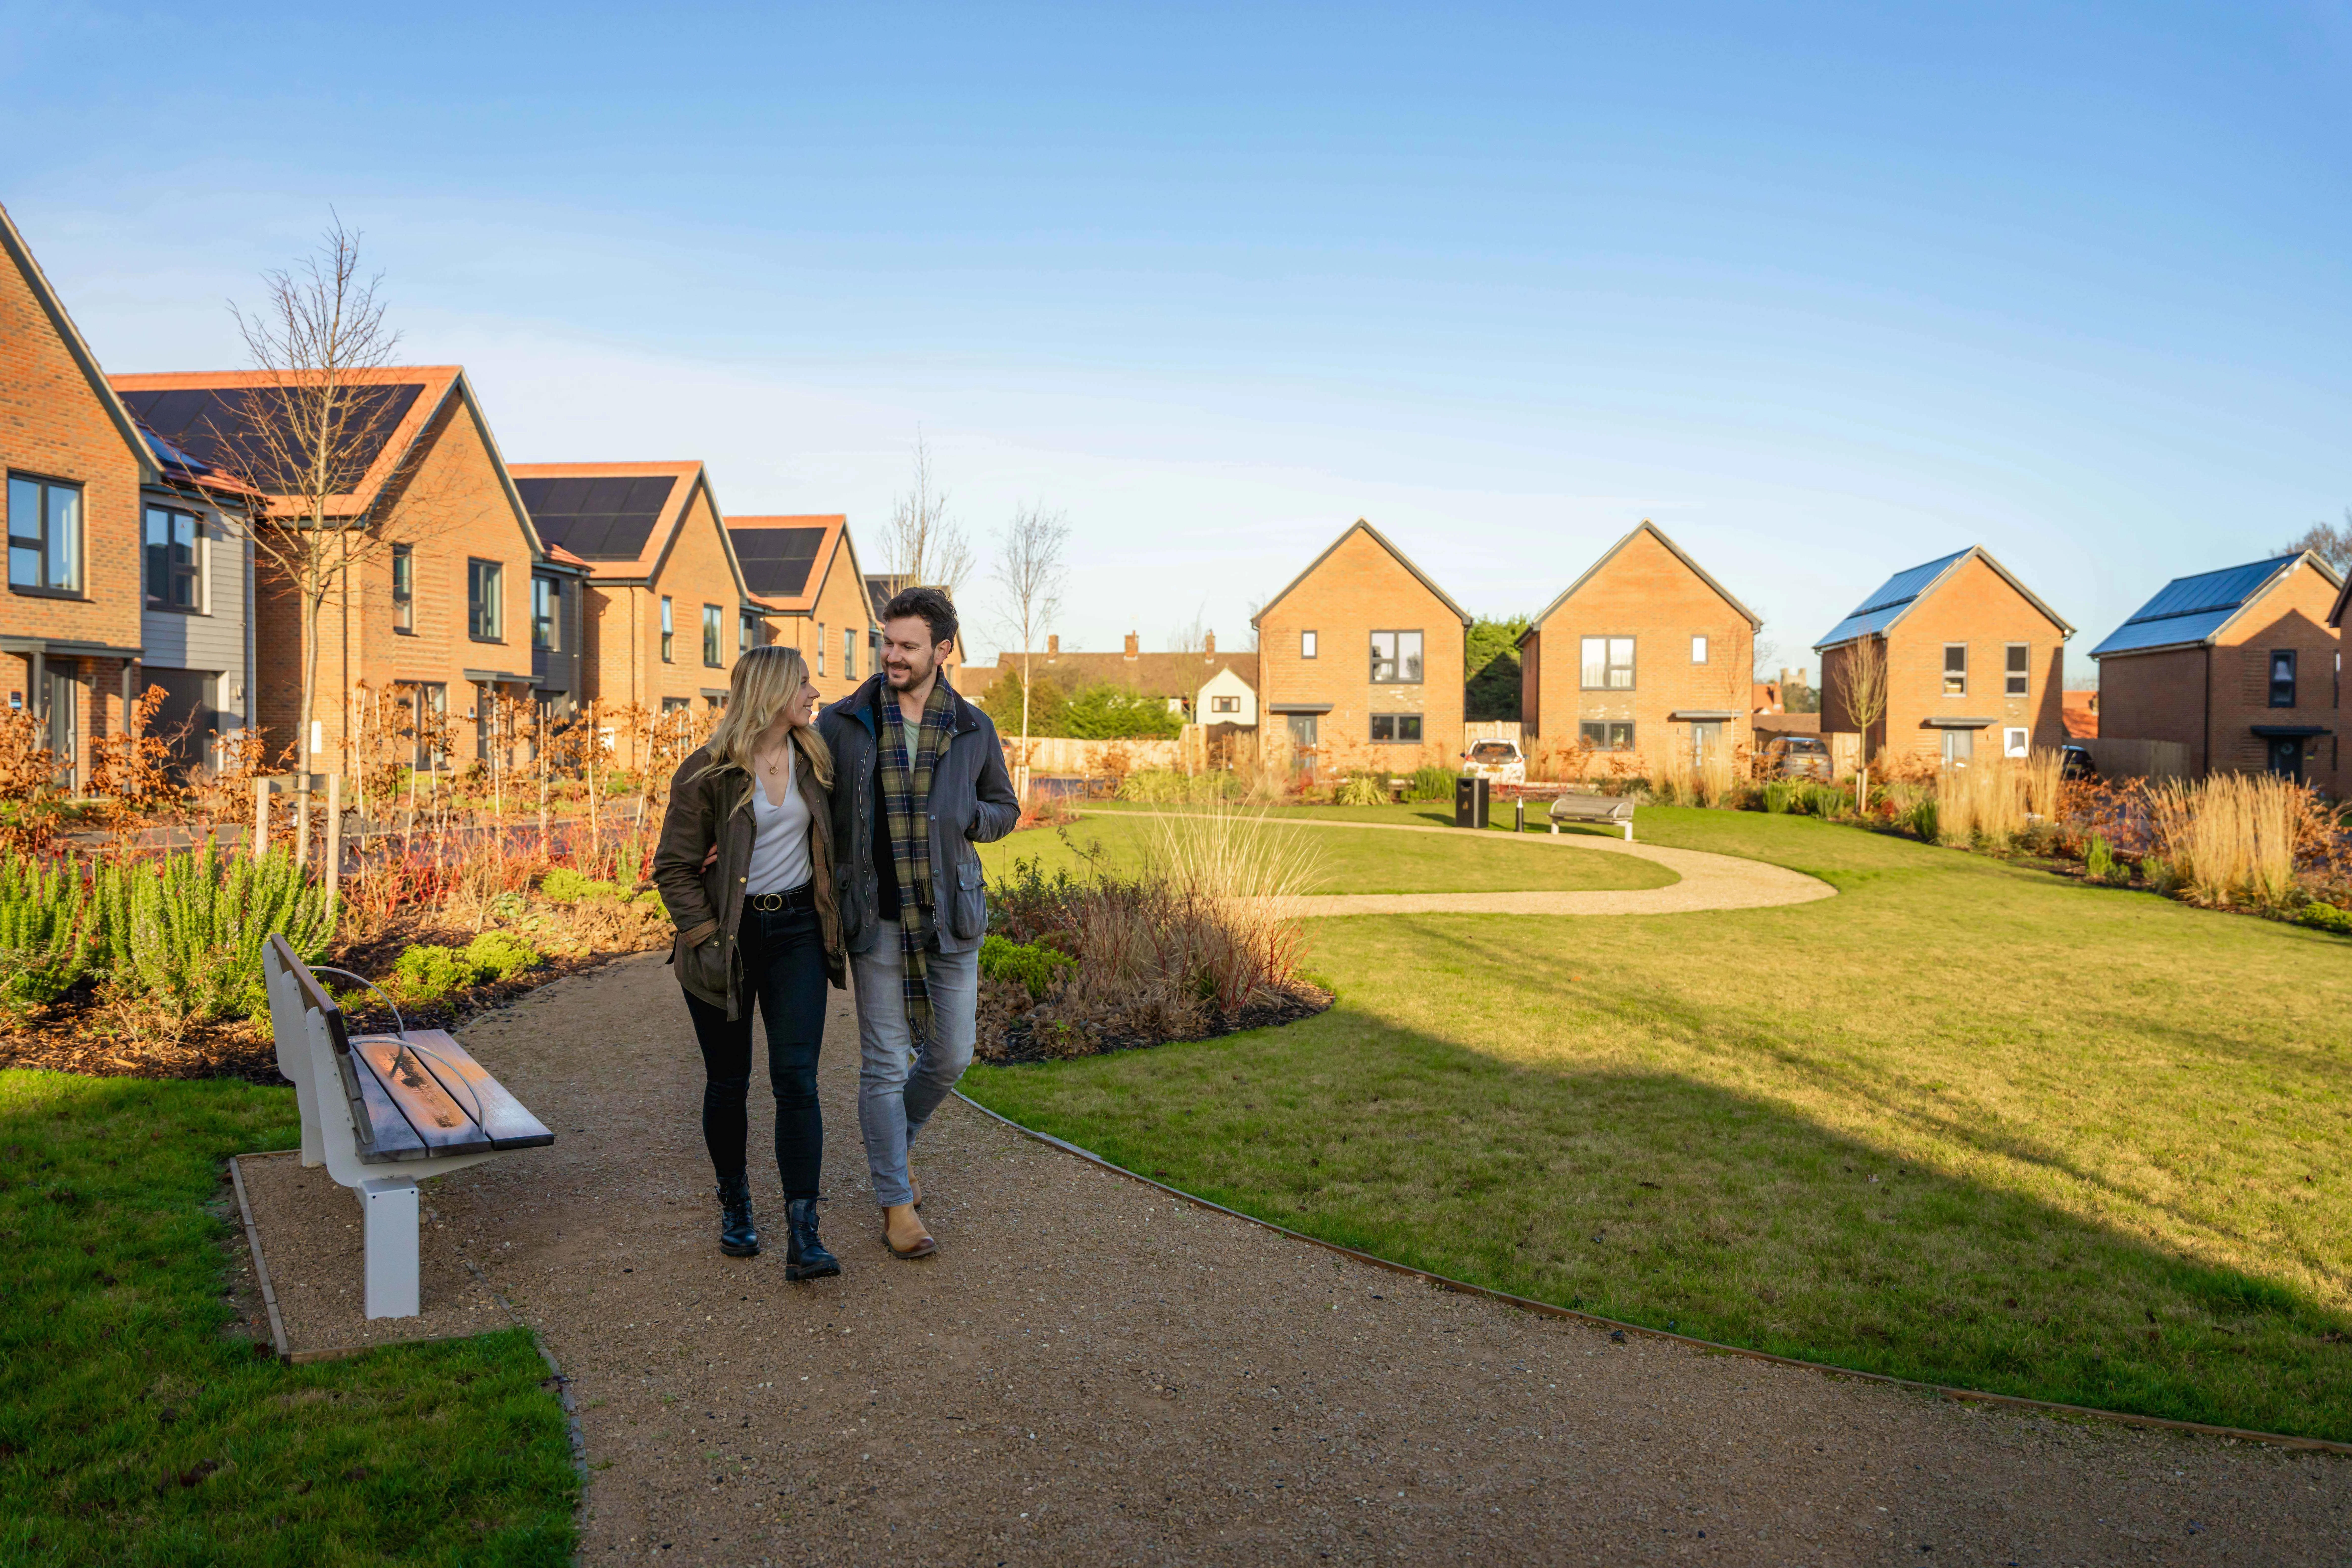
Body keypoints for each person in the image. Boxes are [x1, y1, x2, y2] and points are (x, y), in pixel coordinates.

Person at [817, 586, 1019, 1258]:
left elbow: (1004, 807)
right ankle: (896, 1204)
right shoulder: (844, 722)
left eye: (907, 645)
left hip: (951, 916)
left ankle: (891, 1152)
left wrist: (971, 819)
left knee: (951, 1055)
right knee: (883, 1065)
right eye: (888, 641)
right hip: (875, 918)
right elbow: (810, 807)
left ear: (942, 650)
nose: (891, 655)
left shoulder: (972, 726)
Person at [653, 645, 845, 1281]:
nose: (814, 693)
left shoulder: (815, 759)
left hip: (795, 931)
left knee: (797, 1080)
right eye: (804, 684)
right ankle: (735, 1204)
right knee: (728, 1081)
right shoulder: (707, 772)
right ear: (770, 692)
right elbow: (674, 869)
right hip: (724, 940)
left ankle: (803, 1231)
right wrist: (706, 935)